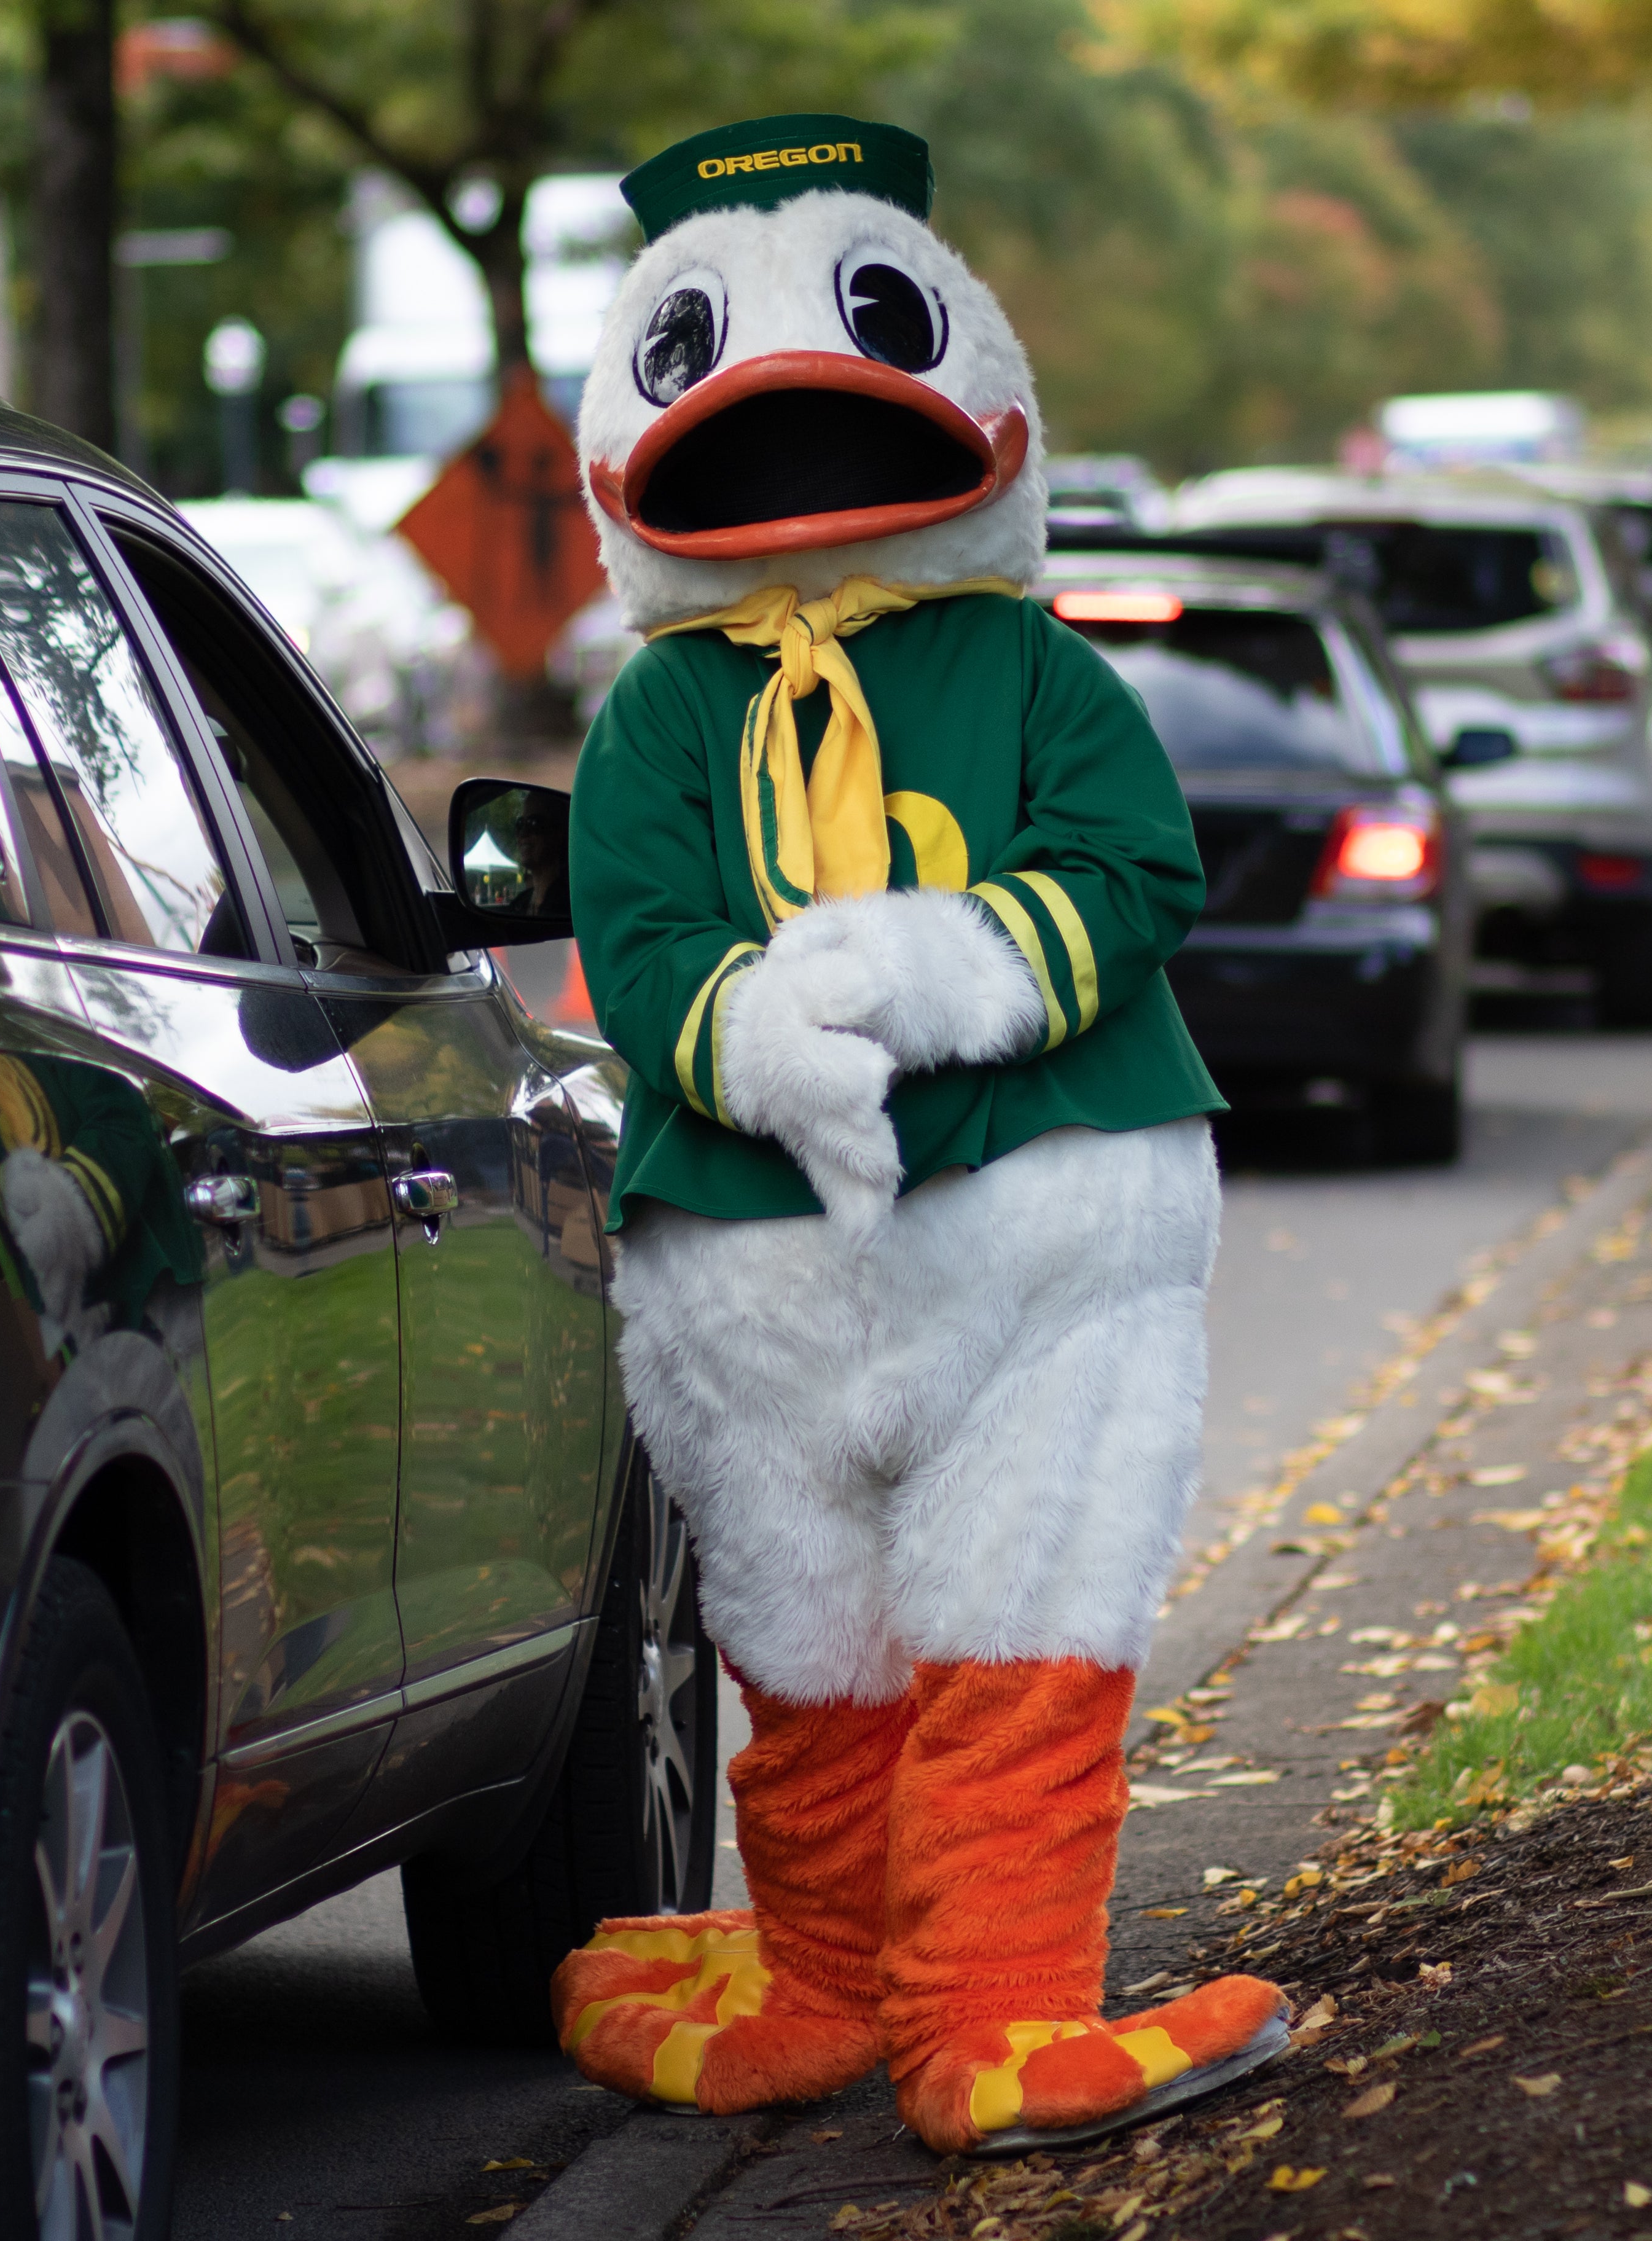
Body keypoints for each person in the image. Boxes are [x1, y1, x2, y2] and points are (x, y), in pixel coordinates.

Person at [547, 114, 1286, 2157]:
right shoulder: (654, 716)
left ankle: (994, 2010)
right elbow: (642, 940)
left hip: (1050, 1222)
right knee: (806, 1634)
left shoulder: (1032, 663)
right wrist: (768, 1038)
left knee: (1019, 1611)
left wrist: (941, 972)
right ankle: (826, 1973)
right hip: (758, 1248)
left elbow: (1134, 868)